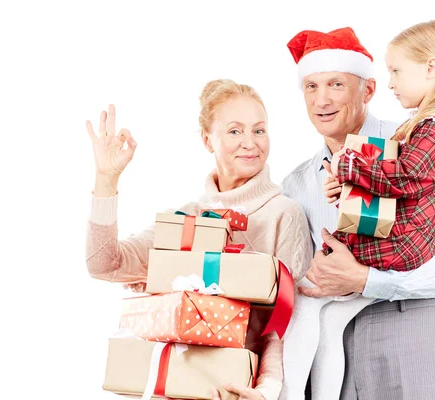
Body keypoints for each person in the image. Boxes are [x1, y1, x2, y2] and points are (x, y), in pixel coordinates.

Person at [280, 23, 435, 400]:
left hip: (411, 328)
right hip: (332, 349)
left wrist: (366, 280)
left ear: (367, 90)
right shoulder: (296, 185)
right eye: (311, 86)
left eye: (336, 84)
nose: (322, 100)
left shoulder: (411, 142)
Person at [84, 79, 313, 400]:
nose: (251, 142)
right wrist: (105, 181)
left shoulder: (283, 214)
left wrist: (267, 390)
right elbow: (105, 265)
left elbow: (287, 322)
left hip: (238, 389)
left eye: (259, 130)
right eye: (235, 131)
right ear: (208, 140)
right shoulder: (186, 220)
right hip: (177, 385)